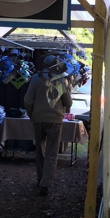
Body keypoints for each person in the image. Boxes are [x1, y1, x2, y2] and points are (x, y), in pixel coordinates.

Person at [24, 56, 72, 196]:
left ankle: (40, 177)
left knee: (40, 149)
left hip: (38, 119)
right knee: (52, 151)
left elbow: (27, 100)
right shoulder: (62, 80)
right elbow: (68, 103)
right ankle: (46, 183)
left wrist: (32, 115)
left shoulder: (35, 78)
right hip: (55, 119)